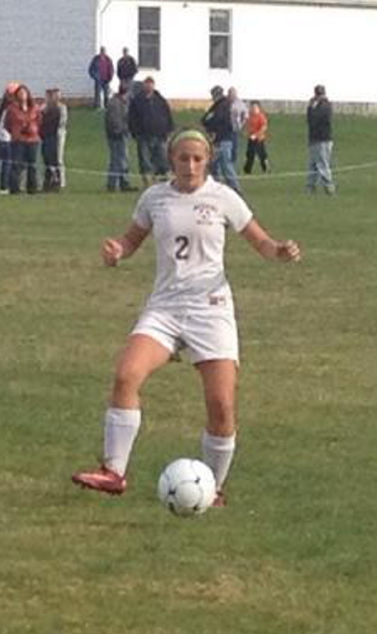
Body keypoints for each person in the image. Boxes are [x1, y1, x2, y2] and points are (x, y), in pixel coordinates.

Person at [71, 129, 302, 503]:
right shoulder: (155, 198)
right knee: (126, 375)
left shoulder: (224, 198)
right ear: (171, 160)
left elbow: (261, 241)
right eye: (183, 158)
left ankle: (212, 489)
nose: (190, 165)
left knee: (222, 405)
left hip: (210, 310)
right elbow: (132, 240)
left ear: (207, 160)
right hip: (164, 307)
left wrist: (280, 250)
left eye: (197, 158)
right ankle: (114, 472)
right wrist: (117, 250)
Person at [128, 77, 173, 187]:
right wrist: (135, 133)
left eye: (150, 84)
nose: (149, 87)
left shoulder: (160, 100)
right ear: (144, 86)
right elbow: (132, 119)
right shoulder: (137, 101)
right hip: (143, 136)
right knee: (145, 160)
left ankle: (165, 183)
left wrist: (169, 129)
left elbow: (167, 115)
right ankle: (148, 184)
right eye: (146, 84)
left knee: (162, 159)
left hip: (160, 135)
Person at [201, 85, 240, 192]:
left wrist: (210, 125)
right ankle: (217, 186)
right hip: (219, 140)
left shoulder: (223, 106)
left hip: (224, 139)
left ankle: (234, 187)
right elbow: (205, 118)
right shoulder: (218, 106)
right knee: (214, 165)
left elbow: (215, 119)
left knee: (225, 164)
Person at [5, 85, 42, 195]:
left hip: (32, 140)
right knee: (16, 164)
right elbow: (7, 124)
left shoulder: (34, 107)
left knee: (32, 165)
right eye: (20, 93)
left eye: (24, 93)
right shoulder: (12, 109)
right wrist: (15, 132)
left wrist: (33, 129)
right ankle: (15, 188)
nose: (22, 95)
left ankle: (32, 188)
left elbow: (39, 120)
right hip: (18, 140)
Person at [105, 84, 135, 192]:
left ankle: (121, 182)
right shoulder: (115, 103)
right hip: (117, 136)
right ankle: (115, 183)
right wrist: (123, 130)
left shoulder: (119, 102)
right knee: (118, 160)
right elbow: (115, 120)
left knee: (121, 159)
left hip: (119, 134)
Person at [306, 85, 335, 195]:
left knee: (323, 164)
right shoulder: (315, 105)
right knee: (312, 164)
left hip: (323, 139)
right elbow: (309, 120)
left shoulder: (325, 106)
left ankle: (329, 186)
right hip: (314, 138)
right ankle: (310, 187)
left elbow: (316, 119)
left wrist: (311, 108)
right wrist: (310, 107)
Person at [41, 88, 68, 192]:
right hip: (48, 135)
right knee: (49, 158)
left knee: (59, 158)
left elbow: (62, 121)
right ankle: (49, 179)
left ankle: (61, 181)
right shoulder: (44, 107)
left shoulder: (62, 107)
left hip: (59, 134)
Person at [243, 100, 269, 174]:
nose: (253, 108)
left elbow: (263, 127)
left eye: (254, 107)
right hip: (251, 138)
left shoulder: (261, 116)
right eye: (252, 107)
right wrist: (247, 132)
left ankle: (265, 168)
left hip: (259, 139)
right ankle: (247, 170)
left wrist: (256, 135)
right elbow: (248, 126)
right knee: (250, 154)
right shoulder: (250, 116)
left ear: (258, 107)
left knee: (261, 154)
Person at [228, 87, 248, 165]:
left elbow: (245, 115)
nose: (230, 96)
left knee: (234, 147)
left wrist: (242, 125)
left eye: (232, 94)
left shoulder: (240, 104)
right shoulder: (226, 103)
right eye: (229, 94)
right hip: (226, 128)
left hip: (235, 128)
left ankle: (232, 163)